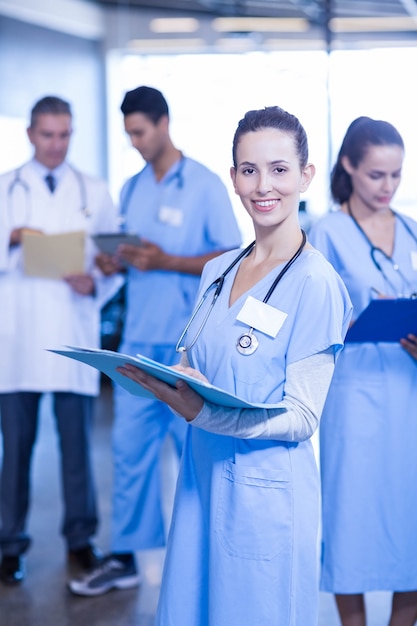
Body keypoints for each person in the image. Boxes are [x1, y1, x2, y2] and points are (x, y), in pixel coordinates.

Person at [80, 106, 352, 623]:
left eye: (278, 169)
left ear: (305, 176)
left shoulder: (316, 284)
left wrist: (202, 412)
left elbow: (302, 416)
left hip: (267, 499)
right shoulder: (217, 272)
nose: (262, 185)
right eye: (249, 170)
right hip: (199, 484)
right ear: (233, 178)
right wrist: (166, 381)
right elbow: (192, 361)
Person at [68, 86, 242, 595]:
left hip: (189, 344)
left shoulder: (206, 184)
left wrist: (166, 260)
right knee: (129, 450)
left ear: (164, 123)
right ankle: (124, 556)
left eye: (140, 132)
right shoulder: (133, 188)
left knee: (195, 451)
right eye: (128, 135)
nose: (136, 143)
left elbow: (231, 257)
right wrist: (113, 261)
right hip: (139, 341)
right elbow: (131, 257)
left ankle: (212, 557)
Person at [0, 96, 121, 584]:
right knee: (17, 448)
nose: (56, 144)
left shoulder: (93, 190)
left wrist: (97, 280)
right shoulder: (7, 189)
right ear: (31, 134)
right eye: (47, 134)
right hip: (19, 337)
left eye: (64, 134)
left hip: (72, 331)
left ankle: (80, 541)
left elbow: (114, 259)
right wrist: (11, 238)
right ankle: (8, 544)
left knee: (76, 448)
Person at [309, 116, 417, 626]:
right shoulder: (325, 234)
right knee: (349, 512)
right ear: (349, 166)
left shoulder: (413, 230)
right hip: (352, 395)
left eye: (396, 175)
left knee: (409, 517)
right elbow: (306, 318)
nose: (388, 187)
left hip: (409, 388)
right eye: (377, 175)